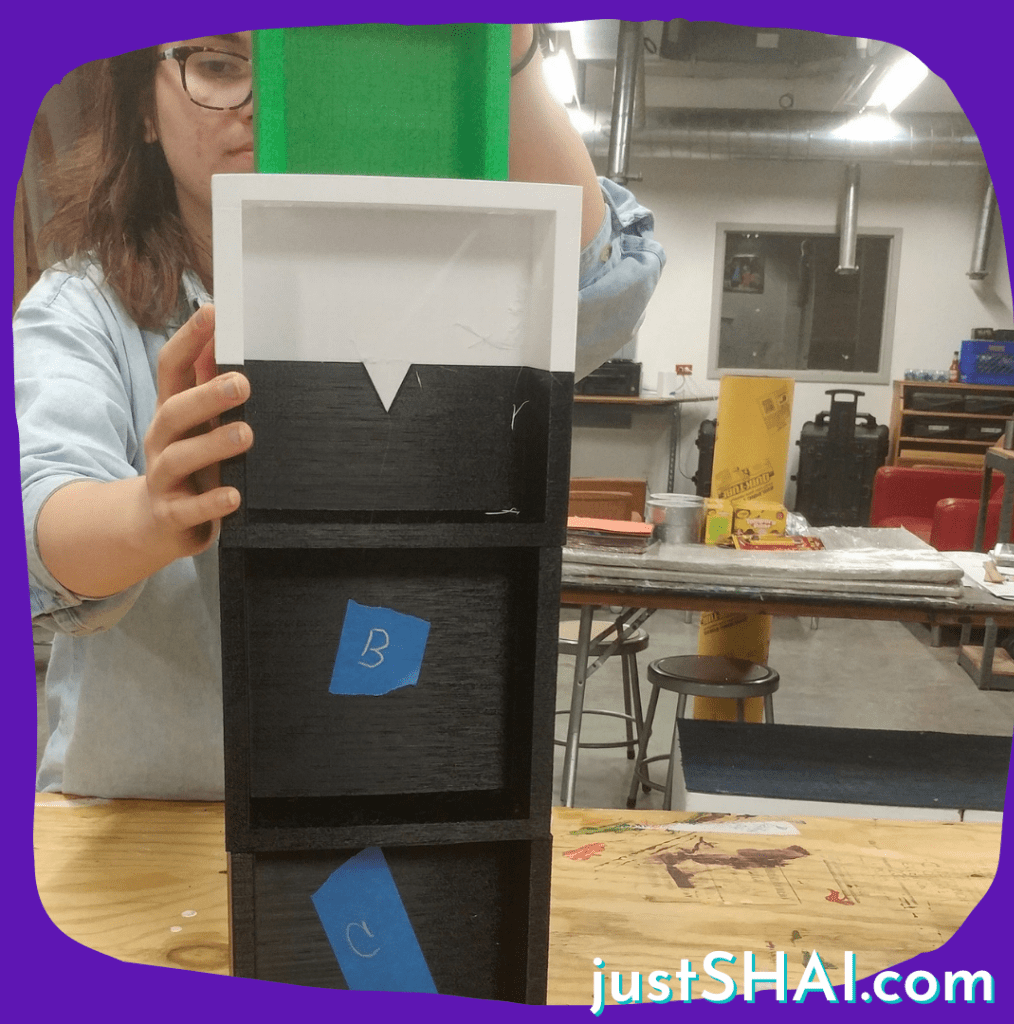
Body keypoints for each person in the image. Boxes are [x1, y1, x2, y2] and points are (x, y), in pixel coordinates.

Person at [16, 26, 665, 799]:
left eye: (298, 65)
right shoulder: (84, 307)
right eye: (218, 64)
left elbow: (589, 288)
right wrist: (150, 514)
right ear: (143, 112)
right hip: (147, 813)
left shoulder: (419, 281)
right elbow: (39, 527)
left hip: (371, 799)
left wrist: (511, 47)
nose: (265, 101)